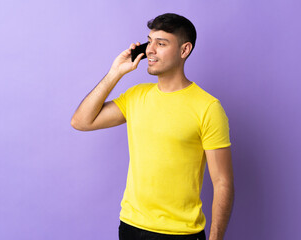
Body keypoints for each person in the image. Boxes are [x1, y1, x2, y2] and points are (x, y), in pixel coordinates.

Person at [71, 13, 234, 240]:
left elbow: (223, 182)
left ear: (184, 50)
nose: (150, 50)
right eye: (150, 41)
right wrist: (115, 73)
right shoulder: (135, 96)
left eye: (161, 43)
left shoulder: (208, 107)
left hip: (180, 233)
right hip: (130, 227)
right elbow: (81, 121)